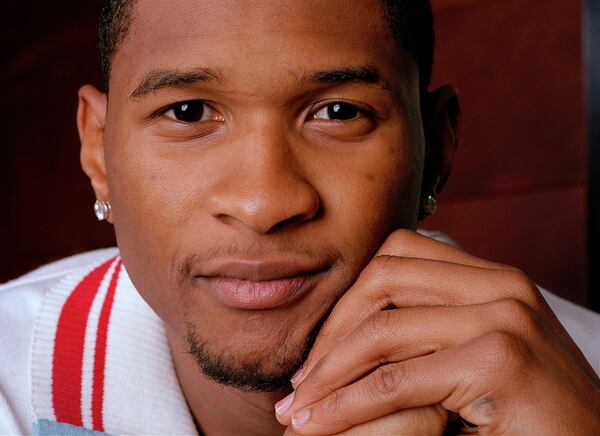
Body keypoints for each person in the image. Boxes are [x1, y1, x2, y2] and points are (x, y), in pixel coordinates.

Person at [1, 0, 598, 434]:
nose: (263, 204)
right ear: (98, 152)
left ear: (435, 151)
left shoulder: (582, 386)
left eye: (337, 112)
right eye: (188, 112)